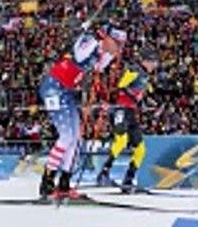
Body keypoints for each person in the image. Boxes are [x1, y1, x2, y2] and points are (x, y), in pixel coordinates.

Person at [38, 22, 126, 200]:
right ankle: (46, 182)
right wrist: (92, 37)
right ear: (107, 38)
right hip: (53, 87)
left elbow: (99, 70)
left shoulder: (104, 52)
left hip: (67, 91)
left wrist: (109, 56)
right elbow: (79, 53)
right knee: (66, 136)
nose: (119, 48)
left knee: (77, 138)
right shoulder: (90, 42)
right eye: (116, 43)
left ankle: (65, 182)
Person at [95, 49, 157, 193]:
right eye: (153, 62)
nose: (154, 66)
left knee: (140, 149)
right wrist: (134, 98)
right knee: (121, 141)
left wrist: (146, 102)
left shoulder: (145, 76)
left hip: (131, 112)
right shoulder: (135, 70)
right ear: (145, 61)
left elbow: (143, 93)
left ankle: (128, 180)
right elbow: (121, 86)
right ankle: (103, 174)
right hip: (120, 109)